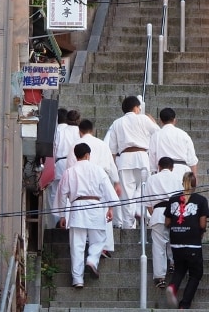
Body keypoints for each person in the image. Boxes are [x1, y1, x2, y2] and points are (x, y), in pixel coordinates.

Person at [57, 142, 116, 289]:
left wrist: (62, 215)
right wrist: (110, 207)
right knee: (99, 239)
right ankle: (91, 259)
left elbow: (61, 195)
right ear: (88, 155)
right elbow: (109, 191)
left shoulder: (69, 172)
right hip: (96, 206)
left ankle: (78, 279)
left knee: (77, 245)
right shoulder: (98, 170)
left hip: (76, 208)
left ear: (76, 156)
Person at [68, 119, 123, 257]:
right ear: (92, 130)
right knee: (105, 214)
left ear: (79, 131)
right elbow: (111, 164)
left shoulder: (75, 145)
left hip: (81, 182)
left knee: (82, 216)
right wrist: (116, 182)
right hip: (101, 179)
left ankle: (88, 244)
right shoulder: (102, 144)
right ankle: (104, 246)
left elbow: (69, 167)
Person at [104, 95, 159, 228]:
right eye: (139, 107)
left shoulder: (117, 123)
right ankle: (138, 209)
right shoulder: (143, 118)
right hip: (142, 157)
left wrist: (113, 169)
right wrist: (152, 120)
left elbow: (112, 150)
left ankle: (128, 225)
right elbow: (158, 132)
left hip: (124, 160)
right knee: (144, 187)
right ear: (135, 107)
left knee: (126, 195)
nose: (140, 109)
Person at [164, 171, 209, 309]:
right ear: (195, 184)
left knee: (180, 268)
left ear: (182, 183)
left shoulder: (173, 199)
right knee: (196, 273)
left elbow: (167, 222)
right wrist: (201, 231)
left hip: (176, 241)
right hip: (192, 241)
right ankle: (184, 304)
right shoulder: (201, 200)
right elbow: (202, 224)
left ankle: (172, 287)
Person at [140, 156, 184, 289]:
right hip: (175, 213)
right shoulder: (177, 178)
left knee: (159, 247)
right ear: (172, 167)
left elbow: (147, 204)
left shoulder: (152, 179)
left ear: (159, 167)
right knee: (175, 241)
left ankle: (160, 277)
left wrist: (156, 214)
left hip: (158, 212)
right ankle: (173, 264)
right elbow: (182, 199)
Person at [49, 108, 82, 226]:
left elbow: (54, 148)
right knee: (74, 193)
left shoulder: (60, 130)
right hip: (76, 164)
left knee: (56, 193)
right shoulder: (80, 132)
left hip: (59, 163)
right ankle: (72, 221)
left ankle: (58, 222)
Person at [148, 107, 198, 178]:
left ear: (160, 121)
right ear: (174, 120)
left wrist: (154, 173)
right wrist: (194, 178)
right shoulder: (184, 135)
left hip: (163, 172)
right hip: (182, 172)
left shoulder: (156, 136)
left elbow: (152, 158)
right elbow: (192, 160)